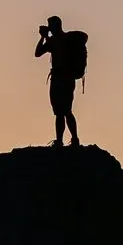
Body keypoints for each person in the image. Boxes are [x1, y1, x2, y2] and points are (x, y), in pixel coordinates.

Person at [35, 16, 89, 147]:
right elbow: (37, 53)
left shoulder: (63, 40)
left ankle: (72, 139)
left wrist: (44, 36)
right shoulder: (55, 40)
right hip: (59, 78)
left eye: (50, 25)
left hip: (64, 78)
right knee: (59, 112)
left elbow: (42, 51)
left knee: (65, 111)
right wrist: (43, 37)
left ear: (56, 25)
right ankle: (61, 139)